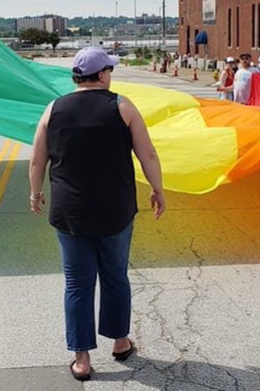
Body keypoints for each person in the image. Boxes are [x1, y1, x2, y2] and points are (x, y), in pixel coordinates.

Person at [28, 47, 166, 382]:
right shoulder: (122, 106)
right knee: (115, 275)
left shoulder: (53, 109)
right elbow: (146, 153)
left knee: (77, 283)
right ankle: (120, 341)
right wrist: (157, 189)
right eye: (110, 70)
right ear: (102, 74)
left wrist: (35, 193)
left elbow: (37, 160)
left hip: (69, 211)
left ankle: (82, 358)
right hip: (115, 209)